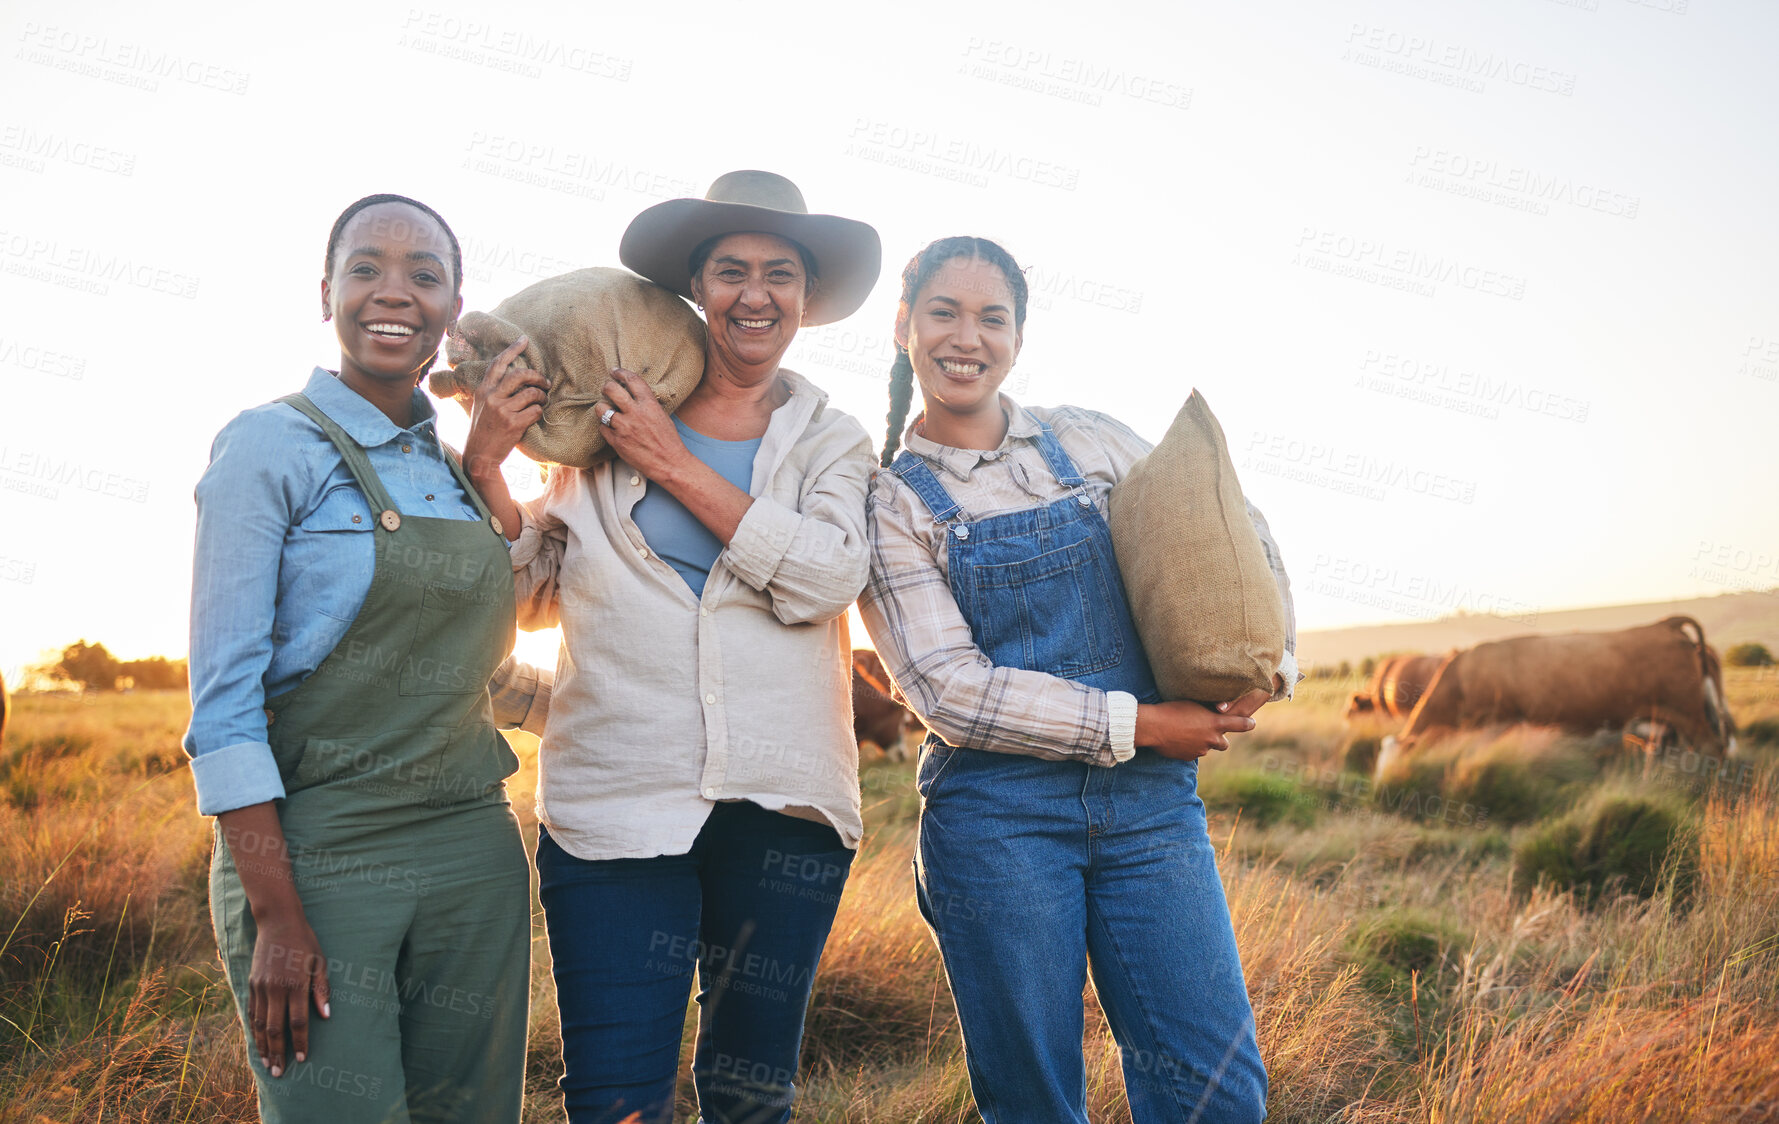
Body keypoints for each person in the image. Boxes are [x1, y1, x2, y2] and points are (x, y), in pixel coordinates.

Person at [462, 170, 882, 1124]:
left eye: (780, 272)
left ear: (805, 300)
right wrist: (487, 466)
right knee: (616, 1101)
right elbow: (517, 596)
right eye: (729, 270)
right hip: (613, 807)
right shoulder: (598, 431)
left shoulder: (829, 441)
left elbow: (825, 579)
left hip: (784, 808)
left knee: (748, 1095)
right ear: (698, 290)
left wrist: (676, 465)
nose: (755, 293)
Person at [859, 236, 1299, 1124]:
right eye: (943, 312)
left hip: (1149, 813)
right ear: (903, 325)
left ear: (1018, 338)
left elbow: (1227, 521)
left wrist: (1268, 660)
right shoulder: (890, 500)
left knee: (1212, 1085)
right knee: (1034, 1103)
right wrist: (1139, 723)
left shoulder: (1085, 439)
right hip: (997, 820)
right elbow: (948, 689)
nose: (966, 338)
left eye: (992, 318)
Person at [186, 194, 546, 1123]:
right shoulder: (270, 443)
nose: (395, 292)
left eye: (424, 275)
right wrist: (275, 913)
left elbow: (480, 657)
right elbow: (223, 707)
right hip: (318, 851)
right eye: (366, 268)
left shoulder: (461, 467)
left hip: (473, 844)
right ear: (327, 293)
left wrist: (488, 465)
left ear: (452, 311)